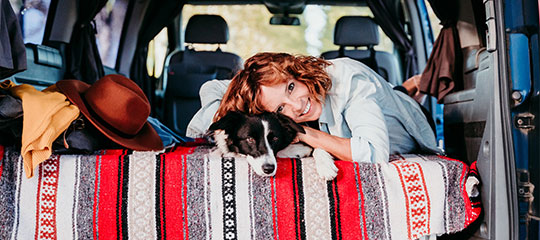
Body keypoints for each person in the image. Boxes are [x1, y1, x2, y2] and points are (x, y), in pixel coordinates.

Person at [187, 52, 441, 163]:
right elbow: (212, 88)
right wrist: (229, 113)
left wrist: (302, 132)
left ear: (296, 73)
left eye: (290, 87)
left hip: (407, 121)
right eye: (280, 110)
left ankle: (406, 89)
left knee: (393, 97)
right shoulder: (272, 96)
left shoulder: (350, 80)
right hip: (348, 117)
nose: (297, 105)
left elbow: (373, 154)